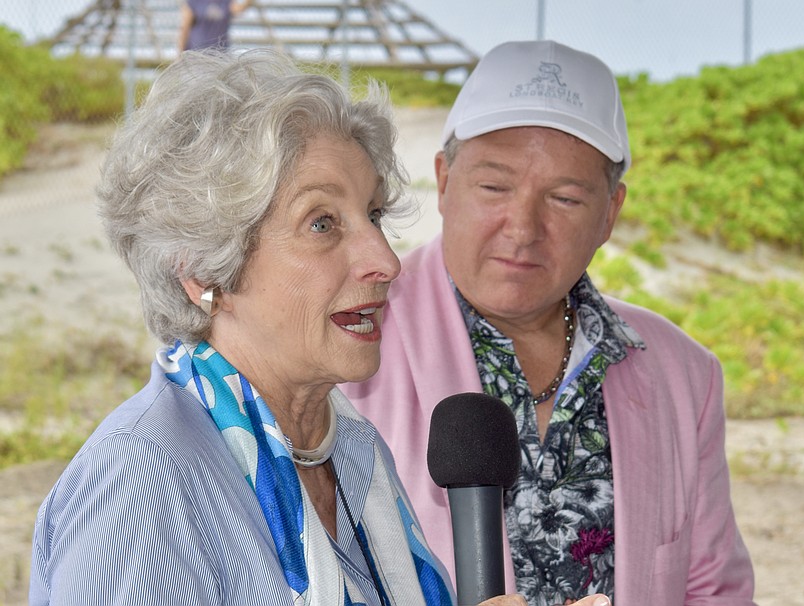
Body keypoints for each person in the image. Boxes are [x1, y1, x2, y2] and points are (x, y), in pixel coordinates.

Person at [28, 49, 560, 606]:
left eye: (373, 215)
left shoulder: (353, 448)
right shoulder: (141, 485)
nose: (385, 260)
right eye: (322, 222)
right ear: (205, 268)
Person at [341, 40, 756, 606]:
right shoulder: (348, 340)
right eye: (494, 187)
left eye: (564, 198)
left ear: (610, 214)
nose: (522, 227)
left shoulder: (685, 374)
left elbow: (714, 590)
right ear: (443, 181)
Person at [178, 0, 253, 52]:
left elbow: (239, 9)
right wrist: (180, 54)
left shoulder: (226, 1)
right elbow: (185, 29)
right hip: (197, 52)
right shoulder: (194, 2)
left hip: (220, 53)